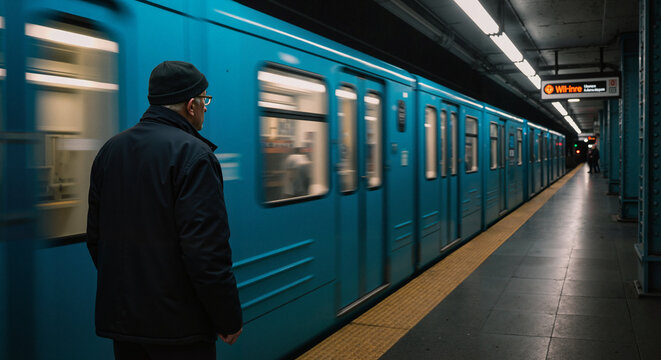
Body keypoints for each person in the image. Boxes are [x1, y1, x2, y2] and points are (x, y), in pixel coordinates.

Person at [87, 61, 243, 360]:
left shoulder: (110, 150)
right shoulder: (194, 155)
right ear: (191, 105)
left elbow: (96, 237)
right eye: (204, 99)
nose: (206, 108)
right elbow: (206, 252)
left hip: (124, 323)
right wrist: (227, 317)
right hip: (179, 329)